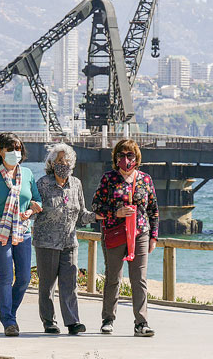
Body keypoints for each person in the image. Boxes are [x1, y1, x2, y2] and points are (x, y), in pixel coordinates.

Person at [92, 139, 159, 337]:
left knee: (139, 279)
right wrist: (116, 212)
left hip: (140, 233)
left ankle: (141, 322)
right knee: (114, 276)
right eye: (121, 155)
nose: (126, 159)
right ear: (115, 158)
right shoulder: (108, 179)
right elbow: (96, 206)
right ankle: (108, 319)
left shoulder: (145, 180)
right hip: (114, 233)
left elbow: (153, 210)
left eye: (130, 155)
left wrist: (153, 236)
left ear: (136, 158)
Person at [0, 132, 42, 337]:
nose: (15, 152)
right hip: (0, 232)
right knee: (6, 276)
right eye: (10, 148)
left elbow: (38, 200)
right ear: (0, 151)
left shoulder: (28, 174)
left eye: (18, 148)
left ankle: (10, 314)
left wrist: (31, 211)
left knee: (24, 277)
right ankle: (8, 321)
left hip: (23, 231)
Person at [33, 143, 96, 335]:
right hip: (46, 242)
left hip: (69, 242)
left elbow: (82, 215)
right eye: (60, 160)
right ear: (52, 163)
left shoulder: (76, 184)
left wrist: (97, 216)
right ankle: (49, 321)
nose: (64, 163)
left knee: (70, 284)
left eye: (67, 160)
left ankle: (72, 321)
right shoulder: (42, 184)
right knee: (47, 285)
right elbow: (34, 210)